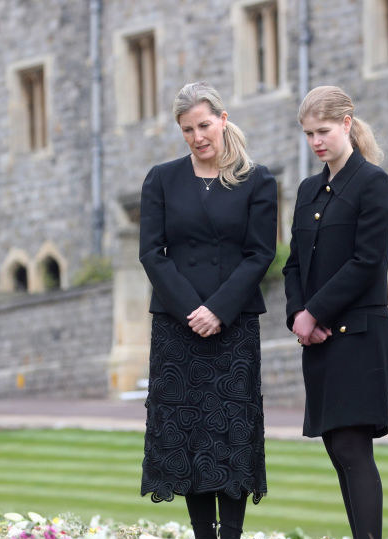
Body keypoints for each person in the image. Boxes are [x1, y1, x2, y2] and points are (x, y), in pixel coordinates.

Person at [138, 81, 276, 539]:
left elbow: (260, 254)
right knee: (190, 434)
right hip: (177, 330)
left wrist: (217, 309)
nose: (198, 137)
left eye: (203, 125)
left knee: (230, 433)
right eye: (187, 130)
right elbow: (151, 253)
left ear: (222, 118)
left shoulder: (258, 180)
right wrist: (190, 310)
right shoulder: (161, 178)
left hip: (233, 328)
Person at [282, 85, 388, 539]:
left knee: (352, 448)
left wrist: (316, 314)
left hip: (359, 335)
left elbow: (366, 262)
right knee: (337, 448)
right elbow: (293, 264)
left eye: (323, 131)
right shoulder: (309, 190)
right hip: (319, 337)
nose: (316, 142)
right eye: (308, 134)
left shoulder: (373, 182)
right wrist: (297, 315)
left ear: (347, 124)